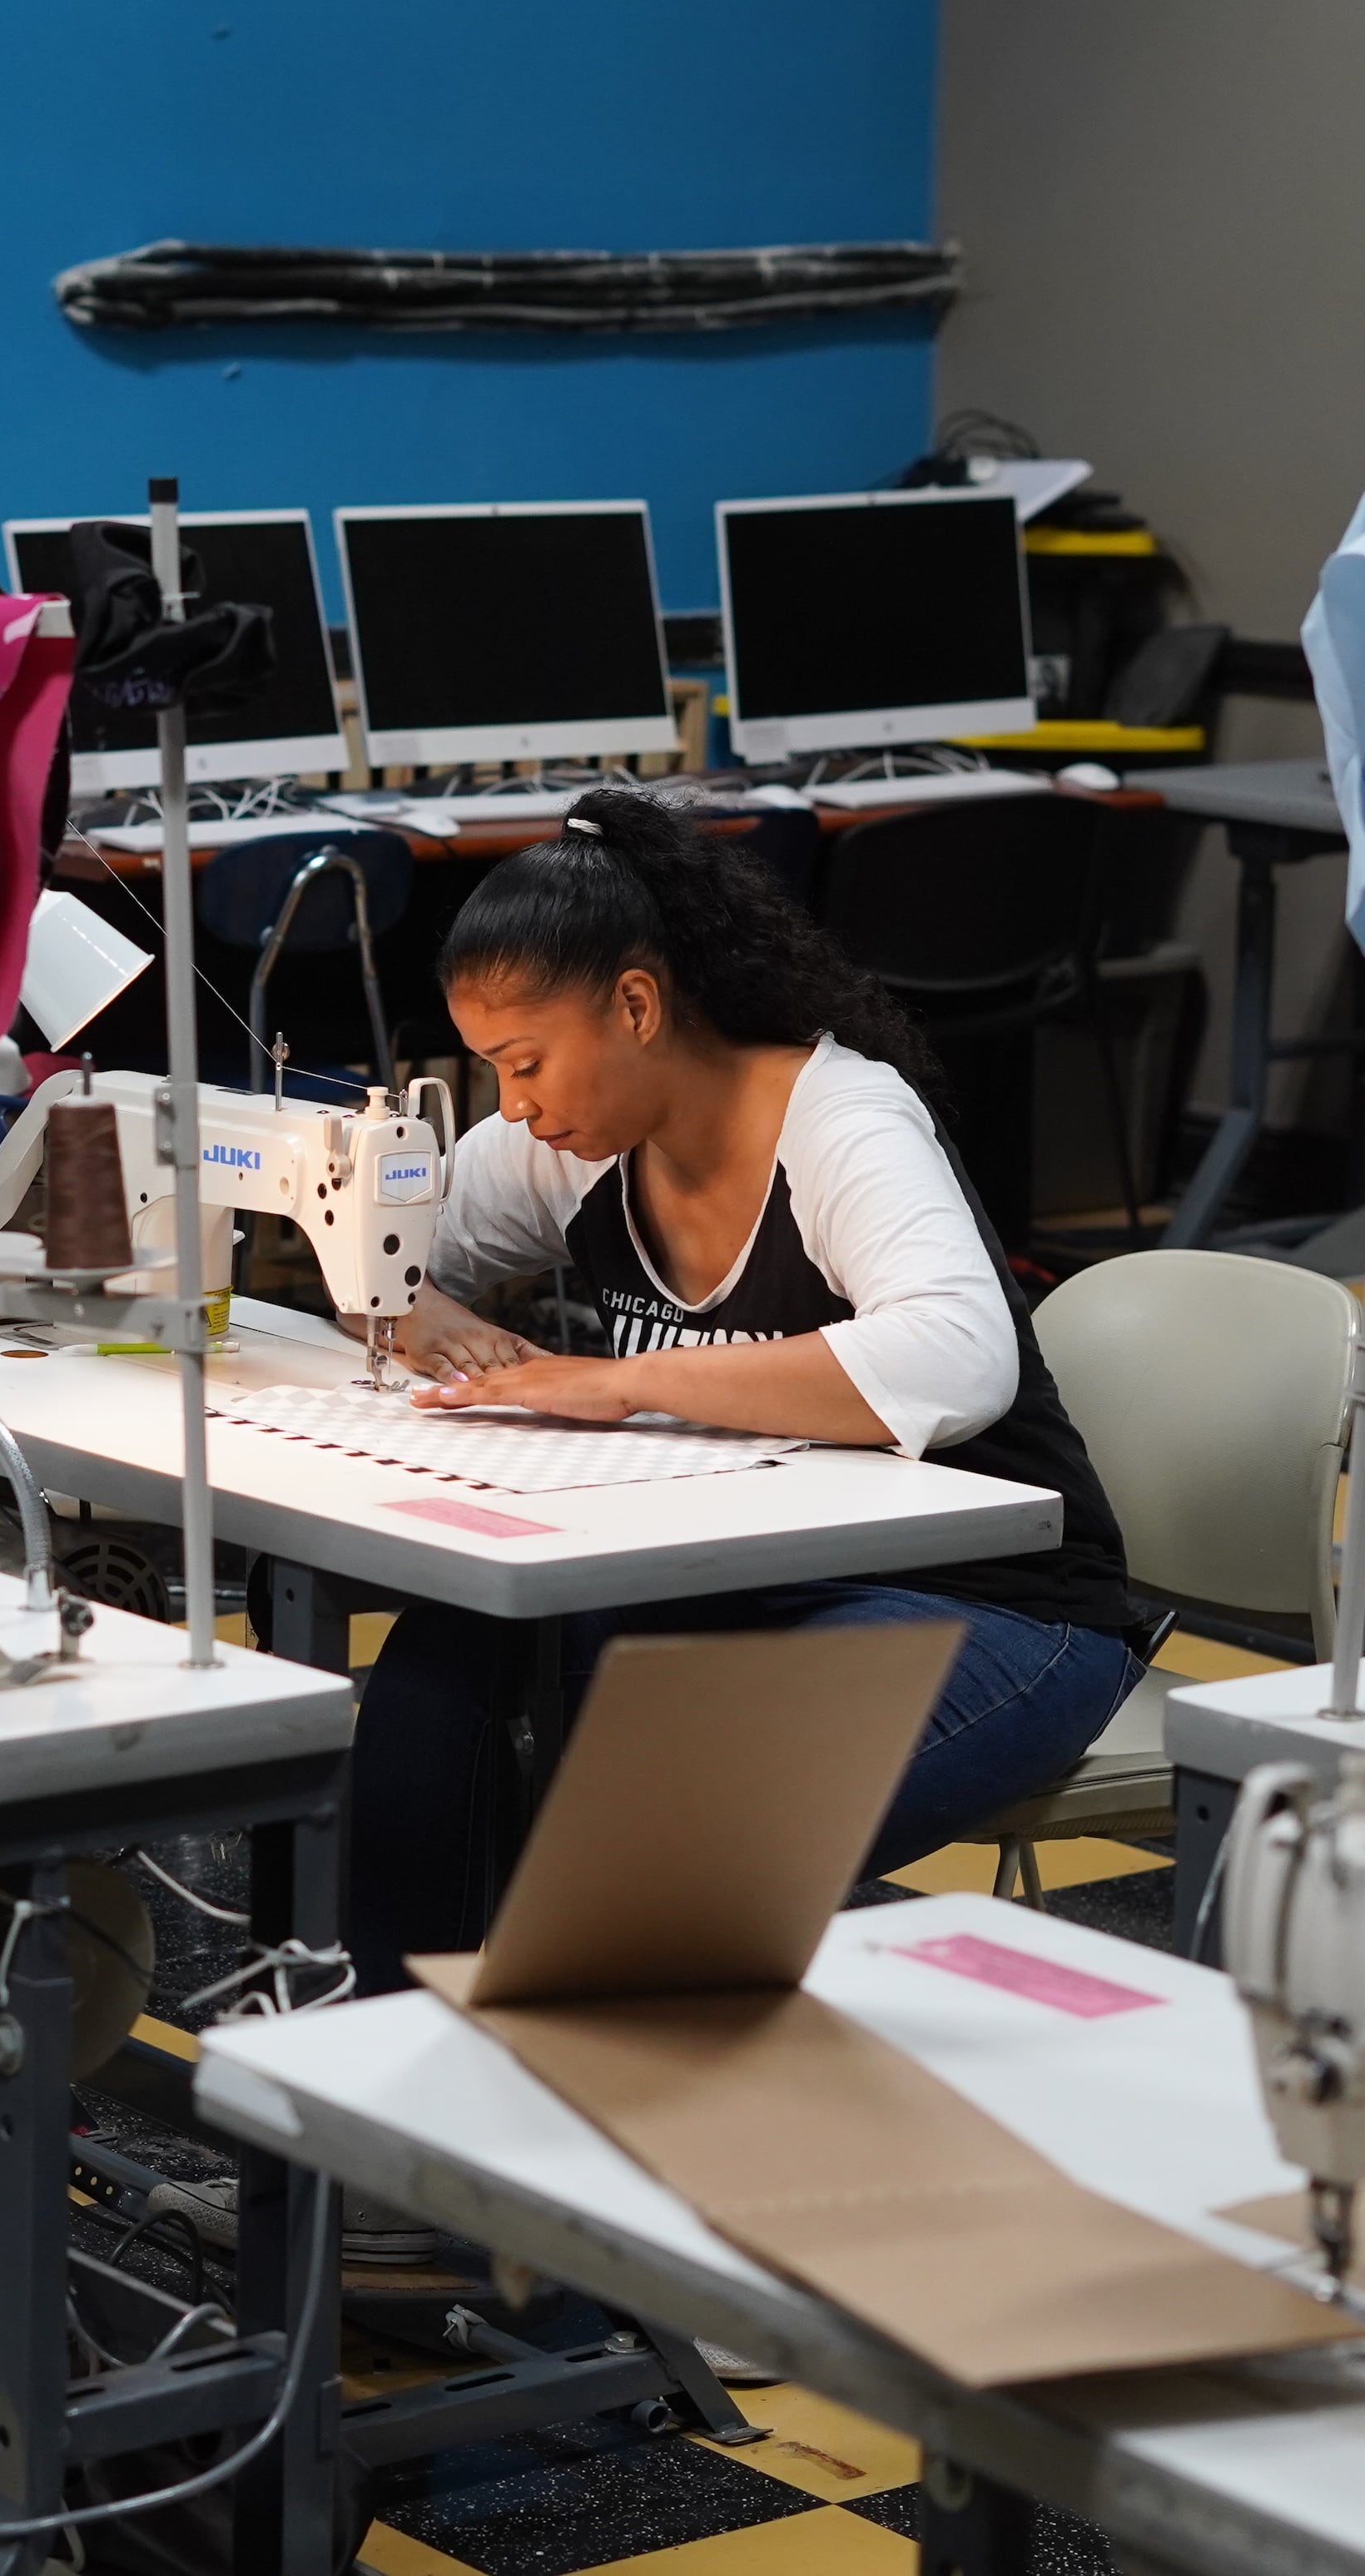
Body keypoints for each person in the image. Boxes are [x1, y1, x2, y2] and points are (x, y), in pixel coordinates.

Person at [349, 786, 1147, 1991]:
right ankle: (396, 2082)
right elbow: (379, 1232)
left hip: (996, 1603)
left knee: (687, 1819)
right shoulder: (570, 1142)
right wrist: (404, 1301)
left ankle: (619, 2142)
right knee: (440, 1681)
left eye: (524, 1063)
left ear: (635, 1004)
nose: (512, 1105)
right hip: (746, 1581)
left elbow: (957, 1354)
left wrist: (619, 1388)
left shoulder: (840, 1119)